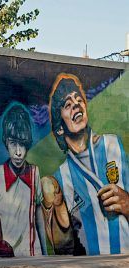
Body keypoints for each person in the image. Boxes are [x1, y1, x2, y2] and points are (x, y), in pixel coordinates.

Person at [44, 73, 129, 255]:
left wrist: (127, 204)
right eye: (68, 104)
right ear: (60, 127)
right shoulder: (61, 176)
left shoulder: (113, 144)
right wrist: (56, 208)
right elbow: (62, 247)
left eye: (79, 100)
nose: (76, 104)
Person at [0, 103, 46, 257]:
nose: (18, 152)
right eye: (13, 144)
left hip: (32, 251)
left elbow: (37, 211)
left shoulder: (34, 172)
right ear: (6, 142)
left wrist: (45, 251)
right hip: (2, 252)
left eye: (22, 144)